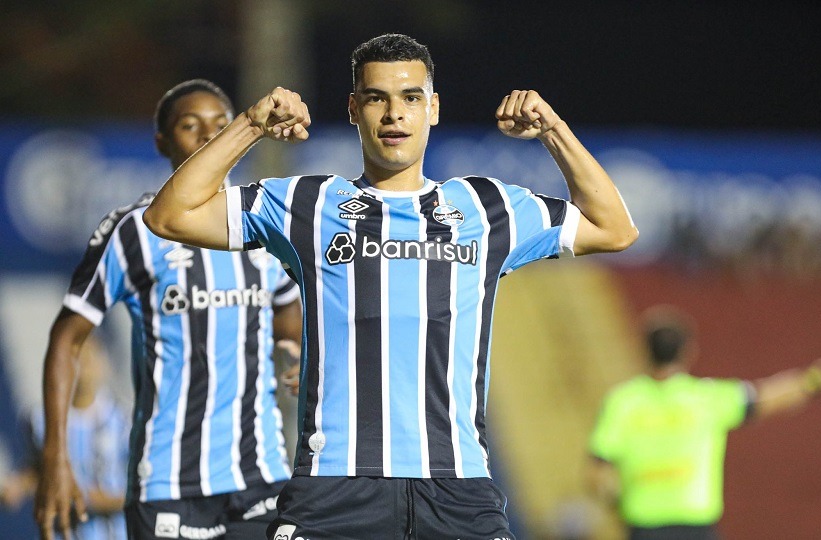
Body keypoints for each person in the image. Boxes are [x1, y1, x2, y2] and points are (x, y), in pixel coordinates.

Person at [144, 34, 638, 539]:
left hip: (458, 489)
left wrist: (552, 130)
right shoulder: (307, 205)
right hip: (335, 489)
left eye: (410, 97)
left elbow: (614, 229)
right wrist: (249, 126)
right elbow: (170, 215)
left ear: (434, 108)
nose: (394, 114)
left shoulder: (489, 208)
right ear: (354, 109)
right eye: (377, 98)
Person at [35, 79, 303, 540]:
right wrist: (54, 458)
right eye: (189, 125)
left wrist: (289, 347)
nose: (209, 136)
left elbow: (287, 307)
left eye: (221, 125)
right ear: (162, 141)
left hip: (263, 476)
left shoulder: (262, 221)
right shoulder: (136, 231)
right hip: (168, 485)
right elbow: (67, 336)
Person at [587, 305, 821, 540]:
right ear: (688, 351)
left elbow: (598, 476)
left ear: (645, 350)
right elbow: (771, 396)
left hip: (642, 524)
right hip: (696, 524)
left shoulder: (622, 402)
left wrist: (620, 501)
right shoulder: (708, 399)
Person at [2, 336, 129, 540]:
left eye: (90, 355)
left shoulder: (124, 422)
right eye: (76, 356)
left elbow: (144, 492)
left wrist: (102, 500)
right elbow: (38, 470)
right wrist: (18, 486)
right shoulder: (40, 421)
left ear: (104, 364)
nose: (84, 364)